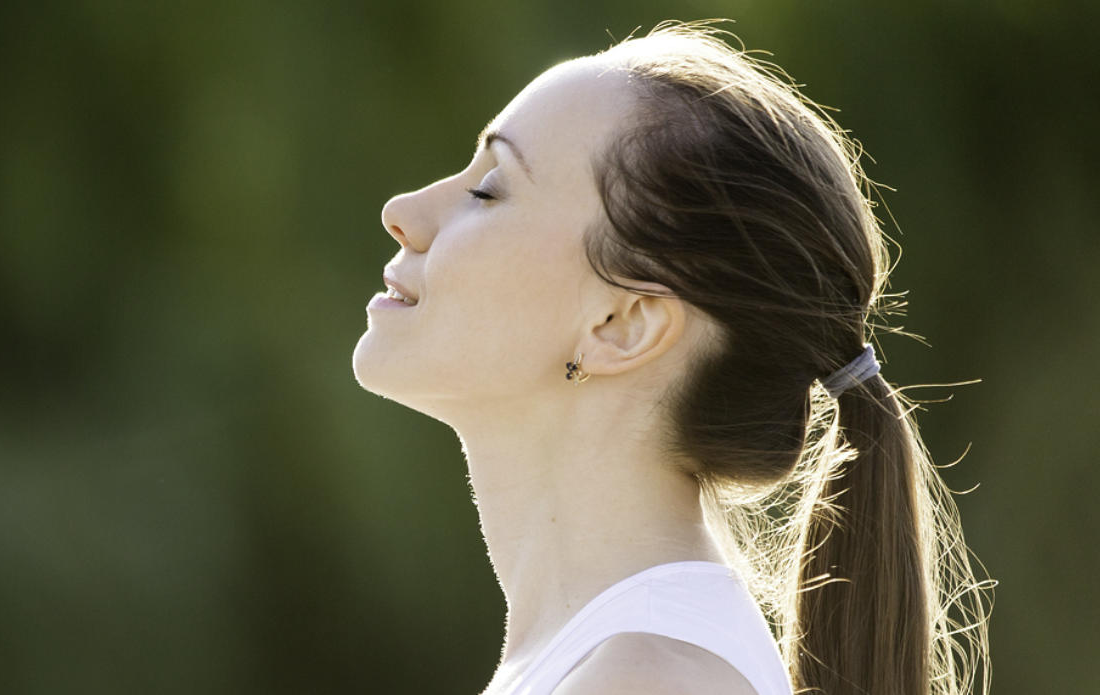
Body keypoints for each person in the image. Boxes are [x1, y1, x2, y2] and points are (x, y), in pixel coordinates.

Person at [350, 20, 992, 695]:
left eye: (488, 189)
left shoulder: (648, 678)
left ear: (623, 324)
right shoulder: (615, 662)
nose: (404, 211)